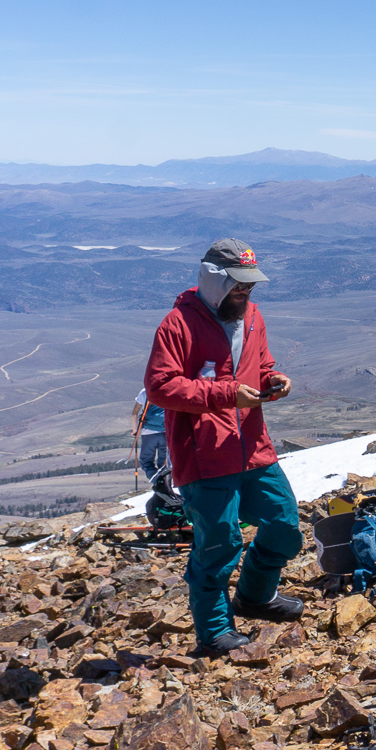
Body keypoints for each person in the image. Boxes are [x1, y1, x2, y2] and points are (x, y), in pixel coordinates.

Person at [144, 239, 306, 658]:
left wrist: (274, 379)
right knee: (219, 544)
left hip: (253, 446)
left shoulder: (252, 316)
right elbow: (160, 387)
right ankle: (214, 632)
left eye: (250, 284)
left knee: (285, 524)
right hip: (205, 455)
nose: (246, 291)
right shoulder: (177, 325)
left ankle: (255, 596)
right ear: (214, 280)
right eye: (238, 284)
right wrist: (226, 395)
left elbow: (261, 364)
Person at [132, 386, 168, 485]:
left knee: (146, 462)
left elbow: (134, 413)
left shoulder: (145, 391)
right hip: (166, 431)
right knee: (164, 463)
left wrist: (135, 430)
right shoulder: (169, 389)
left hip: (149, 432)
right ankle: (165, 484)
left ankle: (157, 482)